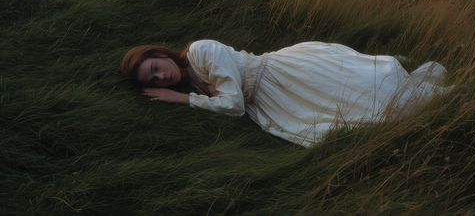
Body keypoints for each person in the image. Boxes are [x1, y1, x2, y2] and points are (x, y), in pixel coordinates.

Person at [120, 39, 449, 147]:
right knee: (332, 124)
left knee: (357, 90)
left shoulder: (202, 51)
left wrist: (183, 99)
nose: (163, 77)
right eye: (158, 81)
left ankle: (416, 88)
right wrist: (189, 94)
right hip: (267, 102)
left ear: (161, 55)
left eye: (156, 68)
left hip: (280, 75)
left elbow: (233, 106)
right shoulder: (191, 78)